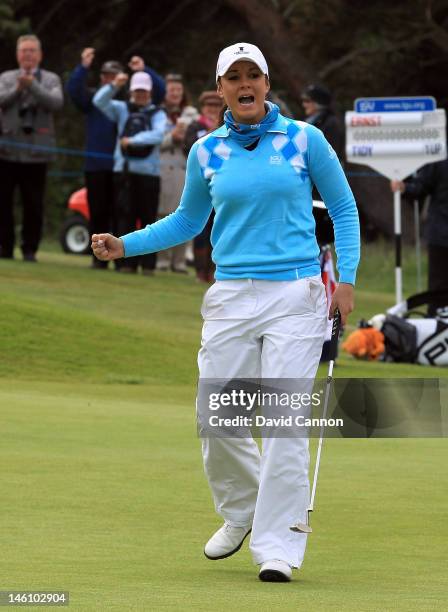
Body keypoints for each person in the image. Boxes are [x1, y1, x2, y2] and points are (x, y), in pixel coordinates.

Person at [92, 43, 360, 581]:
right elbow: (188, 221)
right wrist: (125, 245)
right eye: (233, 77)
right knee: (217, 415)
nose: (244, 84)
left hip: (297, 294)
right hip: (232, 294)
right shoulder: (206, 150)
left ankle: (279, 547)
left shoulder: (305, 139)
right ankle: (243, 511)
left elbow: (344, 208)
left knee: (283, 422)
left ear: (265, 83)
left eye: (253, 75)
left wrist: (346, 280)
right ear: (219, 87)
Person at [66, 49, 166, 269]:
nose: (140, 94)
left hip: (132, 170)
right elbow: (94, 99)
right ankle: (105, 260)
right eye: (107, 75)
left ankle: (135, 263)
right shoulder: (118, 104)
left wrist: (143, 69)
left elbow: (161, 94)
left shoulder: (146, 108)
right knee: (111, 215)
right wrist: (109, 82)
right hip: (107, 167)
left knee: (136, 218)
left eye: (115, 75)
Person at [93, 70, 166, 275]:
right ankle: (125, 263)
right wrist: (115, 85)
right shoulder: (122, 108)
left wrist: (133, 140)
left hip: (149, 173)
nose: (140, 94)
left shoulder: (157, 113)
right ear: (132, 91)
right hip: (124, 172)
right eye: (137, 90)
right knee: (124, 216)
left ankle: (148, 265)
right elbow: (98, 101)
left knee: (148, 219)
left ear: (149, 91)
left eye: (144, 90)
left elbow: (159, 135)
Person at [0, 34, 63, 261]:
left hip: (37, 153)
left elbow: (56, 102)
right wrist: (18, 89)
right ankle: (4, 247)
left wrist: (33, 86)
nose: (28, 55)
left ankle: (30, 249)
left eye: (32, 51)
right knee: (3, 203)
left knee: (34, 204)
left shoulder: (50, 79)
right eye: (24, 50)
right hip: (6, 151)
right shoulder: (6, 78)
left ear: (40, 55)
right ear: (17, 55)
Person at [391, 159, 448, 316]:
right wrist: (405, 188)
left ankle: (437, 324)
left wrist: (405, 188)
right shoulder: (439, 155)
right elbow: (420, 186)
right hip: (441, 233)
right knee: (439, 288)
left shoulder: (439, 154)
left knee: (438, 289)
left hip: (441, 233)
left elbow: (420, 187)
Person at [157, 74, 198, 273]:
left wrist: (184, 137)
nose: (175, 94)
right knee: (162, 214)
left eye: (178, 90)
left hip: (184, 169)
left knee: (185, 213)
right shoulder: (158, 113)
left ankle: (179, 261)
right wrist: (170, 137)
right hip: (162, 168)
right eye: (171, 90)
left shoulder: (192, 115)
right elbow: (153, 141)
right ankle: (162, 259)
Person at [183, 90, 223, 282]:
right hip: (201, 183)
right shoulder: (195, 126)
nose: (212, 110)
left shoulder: (226, 126)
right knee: (201, 229)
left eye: (216, 106)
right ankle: (200, 271)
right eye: (209, 106)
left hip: (221, 183)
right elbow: (188, 148)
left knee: (219, 226)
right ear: (203, 108)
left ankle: (214, 270)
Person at [301, 83, 344, 160]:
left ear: (319, 103)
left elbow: (332, 153)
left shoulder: (331, 123)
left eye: (307, 101)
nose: (304, 104)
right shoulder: (307, 121)